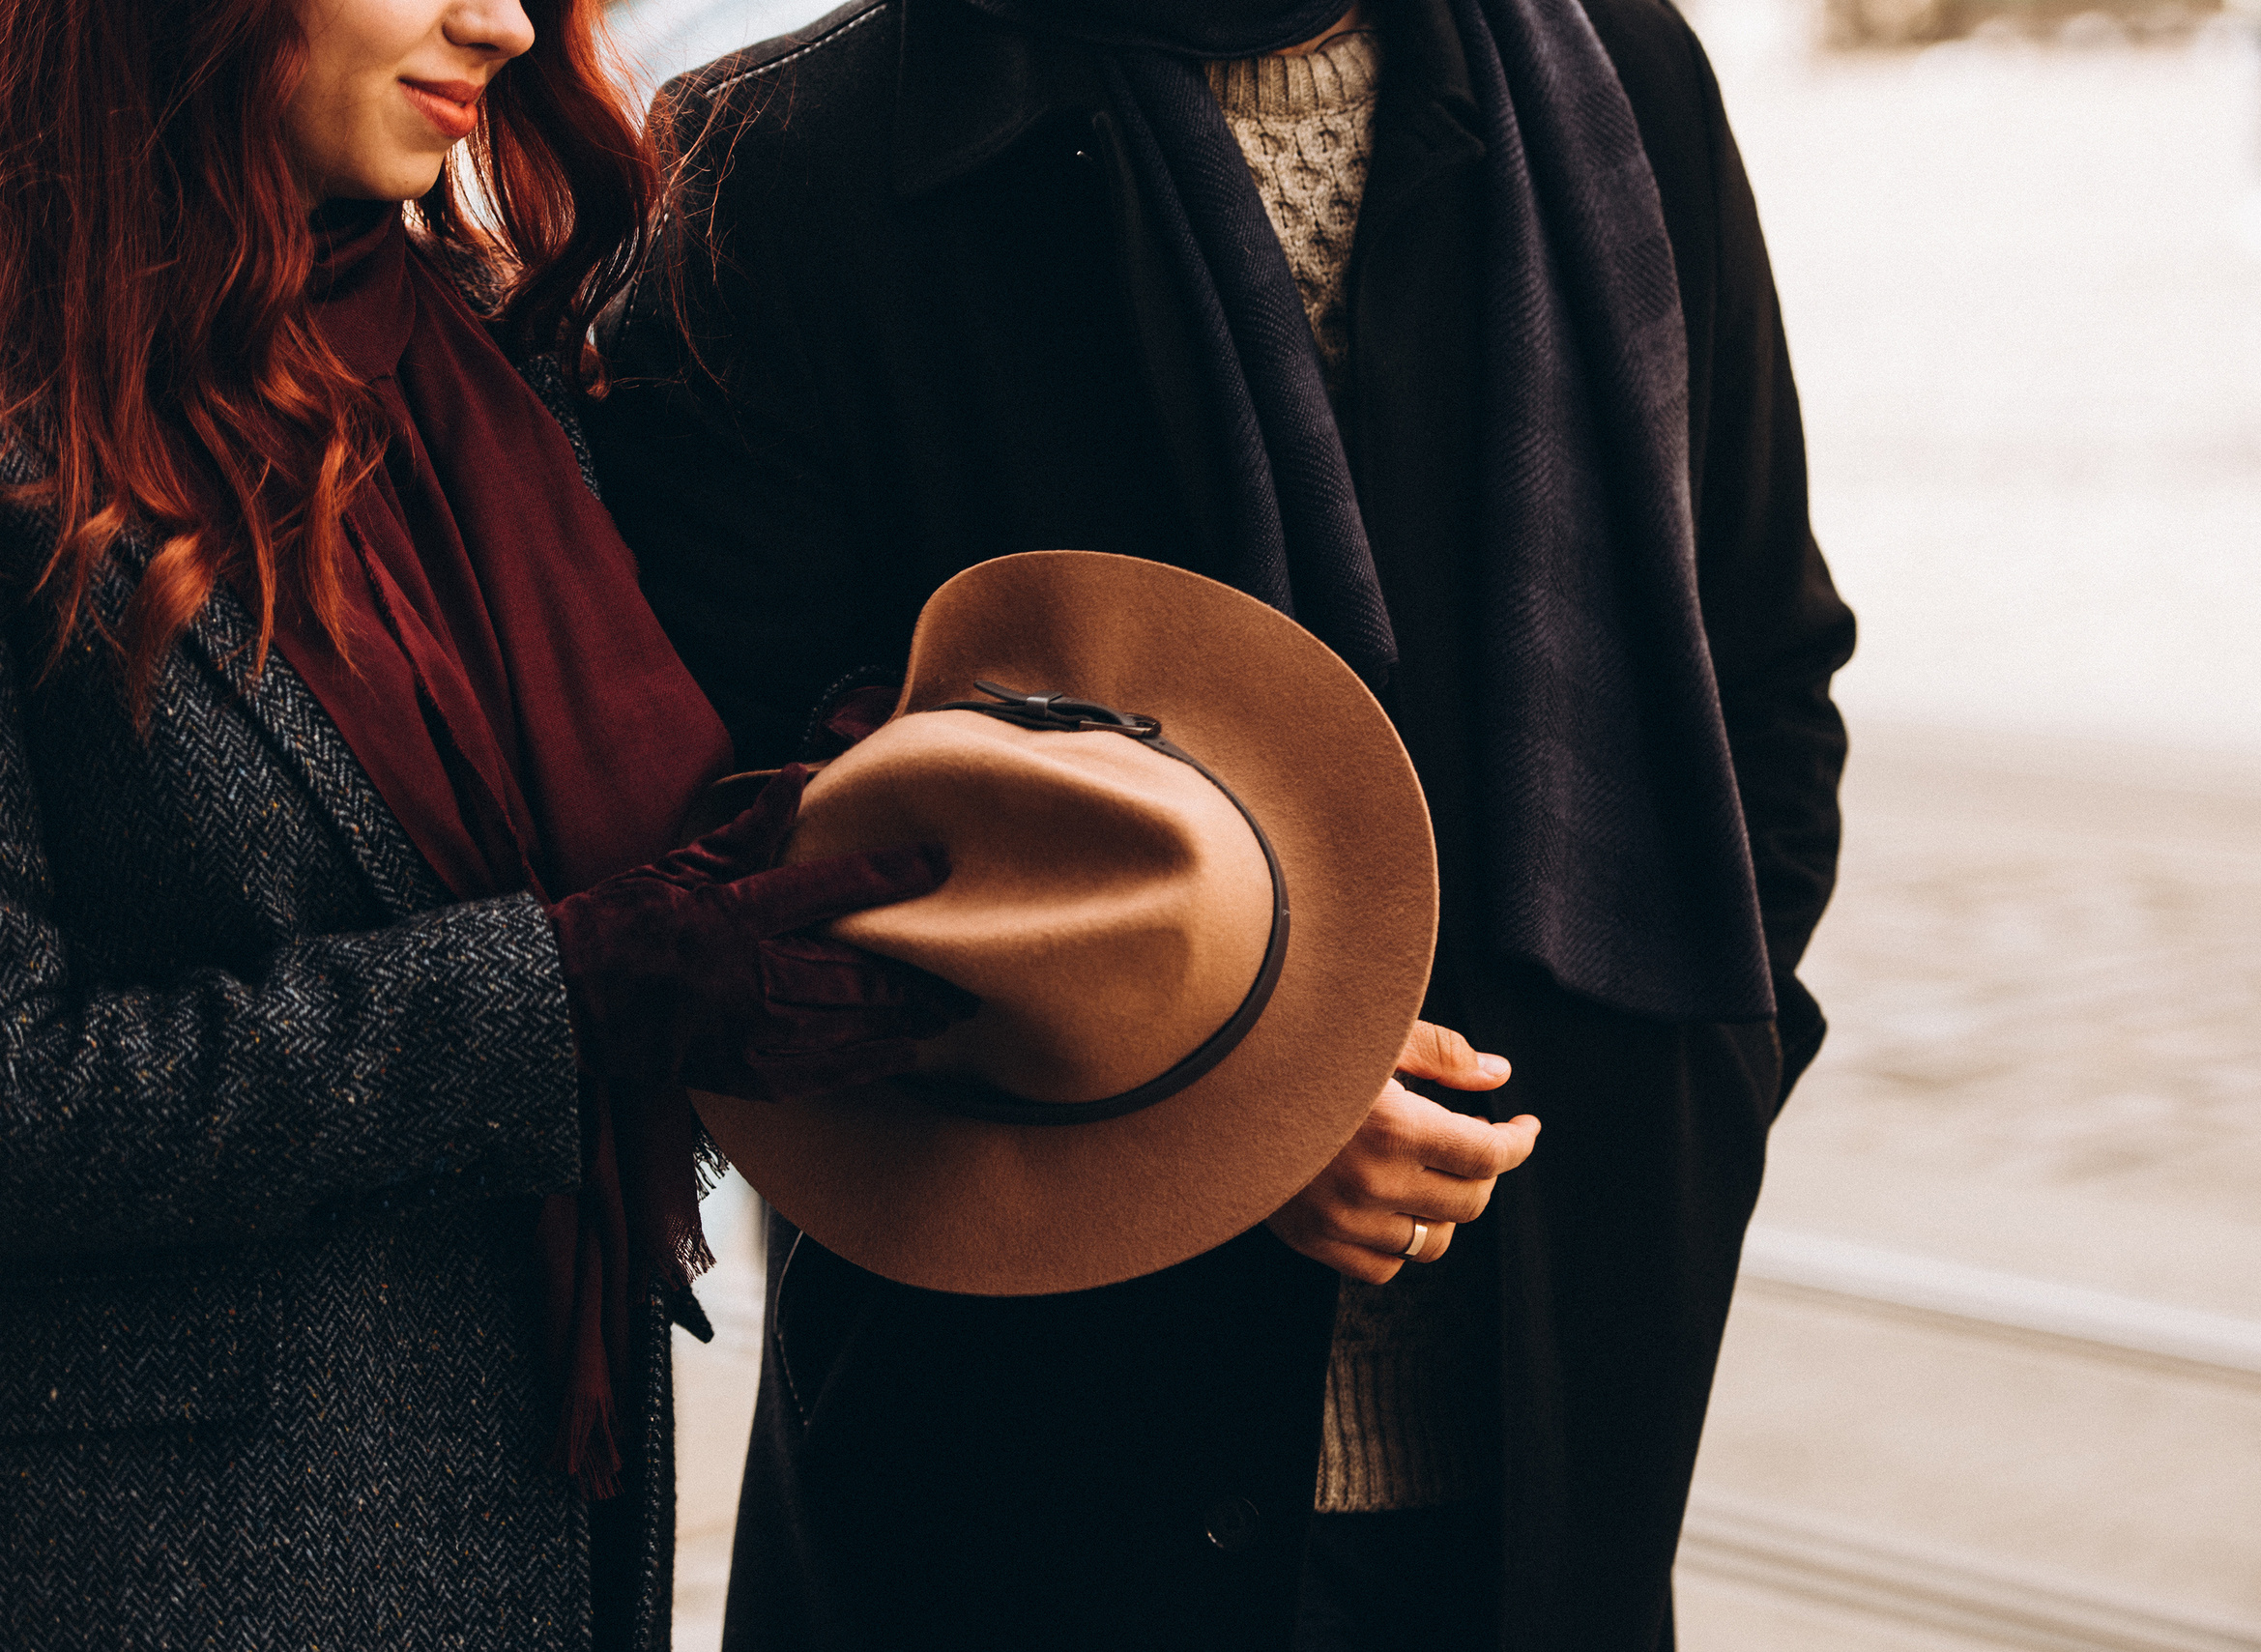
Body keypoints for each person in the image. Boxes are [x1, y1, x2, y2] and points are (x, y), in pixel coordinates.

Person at [590, 0, 1855, 1645]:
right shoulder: (781, 160)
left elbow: (1760, 686)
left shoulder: (1623, 76)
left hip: (1546, 1457)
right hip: (1021, 1474)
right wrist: (1232, 1114)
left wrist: (1685, 1105)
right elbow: (727, 857)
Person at [0, 2, 959, 1646]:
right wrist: (564, 997)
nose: (502, 23)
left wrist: (798, 825)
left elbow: (625, 875)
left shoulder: (492, 371)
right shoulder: (32, 414)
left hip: (549, 1524)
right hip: (173, 1574)